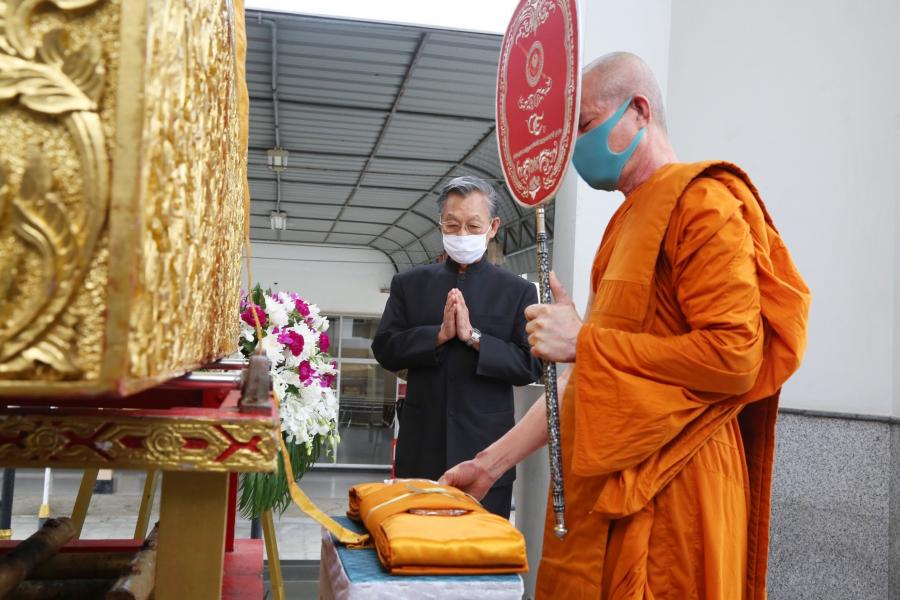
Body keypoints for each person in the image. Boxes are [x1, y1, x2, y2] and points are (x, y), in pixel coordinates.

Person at [440, 52, 810, 599]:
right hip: (610, 487)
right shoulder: (626, 222)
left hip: (678, 489)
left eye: (586, 125)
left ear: (639, 110)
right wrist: (491, 464)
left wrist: (584, 341)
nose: (576, 148)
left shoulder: (705, 204)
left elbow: (735, 357)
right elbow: (586, 378)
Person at [372, 175, 542, 518]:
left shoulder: (517, 291)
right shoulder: (409, 284)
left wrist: (474, 338)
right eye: (452, 225)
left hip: (487, 455)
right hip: (421, 450)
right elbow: (385, 348)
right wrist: (437, 335)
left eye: (472, 225)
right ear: (440, 224)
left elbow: (530, 366)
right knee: (416, 543)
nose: (462, 234)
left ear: (493, 227)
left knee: (481, 546)